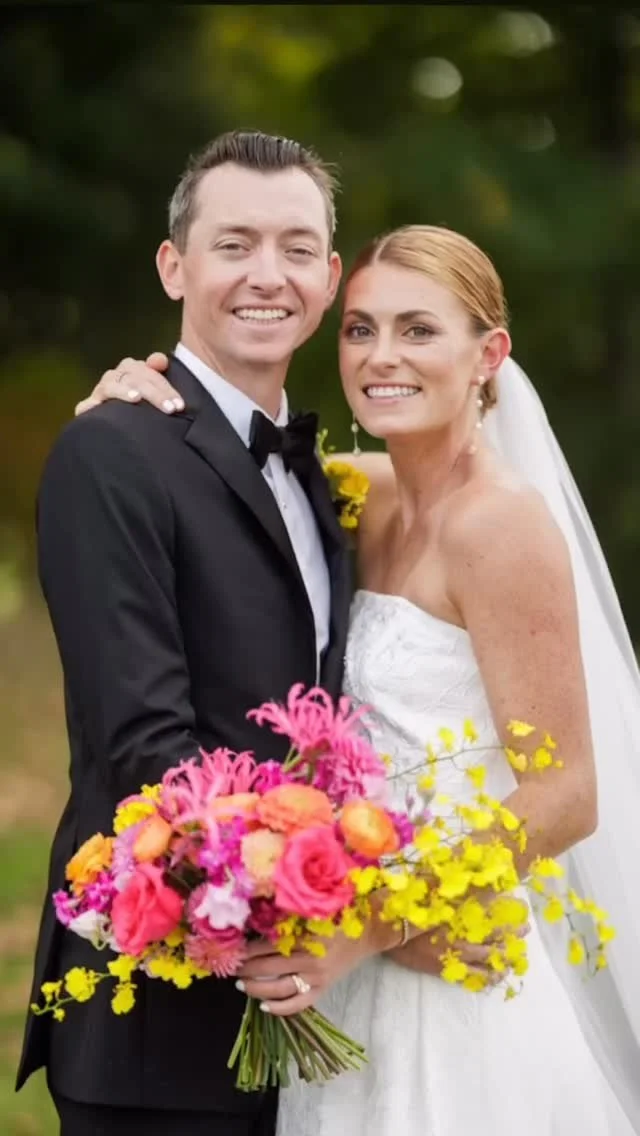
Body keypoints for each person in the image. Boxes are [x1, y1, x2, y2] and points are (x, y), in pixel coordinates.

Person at [83, 224, 640, 1135]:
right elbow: (210, 479)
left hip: (446, 966)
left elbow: (567, 792)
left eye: (419, 330)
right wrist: (124, 406)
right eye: (360, 329)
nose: (382, 356)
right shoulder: (349, 491)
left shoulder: (500, 524)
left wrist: (374, 927)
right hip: (339, 960)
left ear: (488, 355)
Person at [17, 129, 393, 1136]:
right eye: (233, 244)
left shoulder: (322, 479)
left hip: (310, 1019)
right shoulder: (111, 451)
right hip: (155, 1032)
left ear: (329, 279)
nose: (267, 274)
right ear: (173, 266)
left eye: (296, 247)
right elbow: (142, 743)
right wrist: (286, 902)